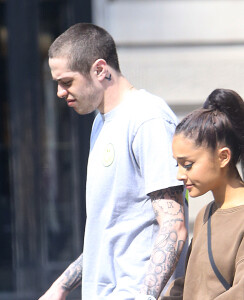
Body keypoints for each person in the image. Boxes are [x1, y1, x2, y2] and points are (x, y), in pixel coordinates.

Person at [39, 23, 188, 300]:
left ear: (100, 69)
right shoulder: (101, 122)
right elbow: (108, 231)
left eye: (66, 81)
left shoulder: (148, 119)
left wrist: (145, 296)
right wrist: (60, 287)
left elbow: (173, 225)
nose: (60, 92)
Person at [163, 88, 244, 299]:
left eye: (188, 165)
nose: (180, 175)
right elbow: (190, 285)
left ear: (223, 157)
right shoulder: (204, 215)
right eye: (177, 165)